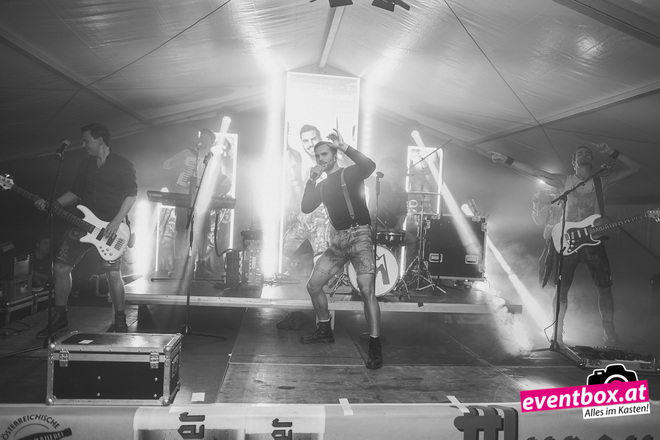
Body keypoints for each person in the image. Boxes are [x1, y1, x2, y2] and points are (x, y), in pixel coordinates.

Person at [490, 143, 641, 347]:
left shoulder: (601, 181)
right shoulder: (565, 180)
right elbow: (535, 171)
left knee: (605, 288)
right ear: (573, 162)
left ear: (592, 160)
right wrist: (507, 160)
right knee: (562, 288)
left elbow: (635, 168)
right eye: (580, 153)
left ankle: (609, 333)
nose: (584, 155)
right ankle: (557, 332)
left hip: (593, 240)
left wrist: (612, 152)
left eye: (587, 153)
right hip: (568, 239)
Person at [34, 123, 138, 336]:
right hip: (83, 224)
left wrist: (116, 221)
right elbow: (75, 192)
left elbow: (131, 194)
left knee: (112, 273)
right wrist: (55, 204)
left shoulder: (122, 164)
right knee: (60, 267)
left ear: (100, 140)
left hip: (110, 228)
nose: (84, 145)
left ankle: (120, 321)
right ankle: (60, 318)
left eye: (87, 141)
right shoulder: (86, 164)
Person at [299, 129, 382, 369]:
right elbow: (306, 207)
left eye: (325, 154)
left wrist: (344, 146)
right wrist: (311, 180)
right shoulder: (322, 185)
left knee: (367, 290)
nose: (321, 159)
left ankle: (375, 344)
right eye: (318, 156)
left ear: (334, 156)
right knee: (313, 285)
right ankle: (324, 328)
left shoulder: (351, 173)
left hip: (360, 236)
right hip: (338, 242)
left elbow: (370, 165)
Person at [163, 128, 231, 278]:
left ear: (211, 143)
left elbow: (223, 181)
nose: (203, 140)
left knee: (203, 232)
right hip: (184, 196)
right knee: (181, 229)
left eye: (207, 139)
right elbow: (167, 165)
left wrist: (214, 194)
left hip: (201, 200)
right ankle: (178, 264)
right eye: (202, 137)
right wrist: (178, 164)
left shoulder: (213, 159)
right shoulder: (187, 153)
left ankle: (201, 264)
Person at [282, 124, 331, 276]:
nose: (310, 144)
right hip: (304, 218)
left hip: (323, 220)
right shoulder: (300, 162)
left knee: (320, 253)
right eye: (305, 141)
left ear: (320, 138)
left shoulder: (332, 163)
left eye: (313, 139)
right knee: (284, 250)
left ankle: (320, 282)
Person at [531, 188, 562, 289]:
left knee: (555, 265)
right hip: (549, 240)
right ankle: (543, 289)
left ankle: (553, 289)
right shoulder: (549, 205)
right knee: (543, 263)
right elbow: (539, 221)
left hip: (562, 240)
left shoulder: (565, 205)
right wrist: (535, 203)